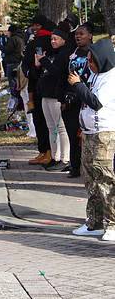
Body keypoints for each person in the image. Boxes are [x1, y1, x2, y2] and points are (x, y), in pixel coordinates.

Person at [68, 38, 115, 242]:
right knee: (90, 179)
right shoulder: (97, 75)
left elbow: (96, 103)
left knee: (105, 178)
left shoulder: (111, 78)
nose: (89, 64)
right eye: (88, 60)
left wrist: (78, 85)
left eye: (92, 61)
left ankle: (112, 223)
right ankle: (94, 222)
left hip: (104, 135)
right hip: (89, 134)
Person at [34, 27, 72, 170]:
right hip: (46, 95)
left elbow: (57, 72)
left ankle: (65, 158)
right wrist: (40, 62)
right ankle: (55, 156)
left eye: (56, 39)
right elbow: (43, 71)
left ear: (64, 40)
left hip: (57, 96)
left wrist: (44, 61)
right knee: (51, 127)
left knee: (61, 127)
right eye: (51, 39)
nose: (53, 41)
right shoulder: (50, 54)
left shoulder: (65, 54)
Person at [63, 22, 94, 178]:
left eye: (82, 34)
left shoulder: (95, 53)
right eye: (76, 34)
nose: (78, 36)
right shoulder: (72, 53)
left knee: (85, 136)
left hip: (87, 99)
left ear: (90, 35)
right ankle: (74, 167)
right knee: (72, 135)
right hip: (71, 100)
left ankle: (87, 167)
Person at [23, 15, 55, 166]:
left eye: (37, 25)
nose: (34, 28)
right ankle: (45, 151)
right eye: (33, 25)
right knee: (42, 121)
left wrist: (32, 71)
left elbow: (27, 64)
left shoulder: (39, 42)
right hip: (39, 86)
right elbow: (26, 64)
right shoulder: (35, 41)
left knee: (44, 121)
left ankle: (48, 152)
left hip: (41, 87)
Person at [4, 24, 25, 92]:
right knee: (18, 80)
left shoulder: (13, 39)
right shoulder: (20, 37)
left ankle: (15, 96)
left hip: (12, 61)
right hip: (19, 61)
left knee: (13, 82)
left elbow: (7, 50)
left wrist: (0, 46)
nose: (7, 33)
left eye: (8, 31)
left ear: (11, 31)